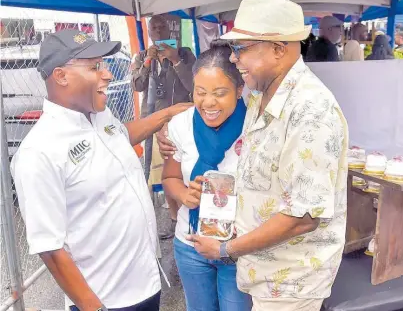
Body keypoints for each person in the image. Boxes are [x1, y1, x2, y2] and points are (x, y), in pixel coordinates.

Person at [159, 0, 349, 311]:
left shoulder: (310, 112)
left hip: (288, 284)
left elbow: (302, 218)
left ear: (279, 48)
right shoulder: (263, 96)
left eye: (242, 49)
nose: (234, 60)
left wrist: (225, 249)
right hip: (262, 272)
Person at [11, 29, 191, 311]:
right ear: (61, 76)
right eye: (95, 67)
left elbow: (119, 136)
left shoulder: (99, 115)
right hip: (107, 300)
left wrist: (166, 116)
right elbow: (50, 247)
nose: (107, 74)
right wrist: (93, 307)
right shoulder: (39, 153)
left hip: (146, 282)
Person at [161, 42, 252, 311]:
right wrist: (183, 194)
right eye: (200, 92)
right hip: (190, 244)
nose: (208, 102)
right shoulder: (181, 124)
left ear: (239, 90)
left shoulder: (255, 126)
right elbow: (169, 178)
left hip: (237, 246)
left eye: (219, 93)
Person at [131, 15, 196, 240]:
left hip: (180, 119)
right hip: (154, 122)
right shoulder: (141, 56)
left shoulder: (185, 53)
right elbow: (137, 85)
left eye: (162, 26)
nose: (158, 31)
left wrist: (175, 60)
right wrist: (148, 62)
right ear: (149, 32)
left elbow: (193, 85)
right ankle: (174, 219)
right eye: (154, 27)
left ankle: (187, 215)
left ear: (170, 29)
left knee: (180, 170)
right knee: (160, 173)